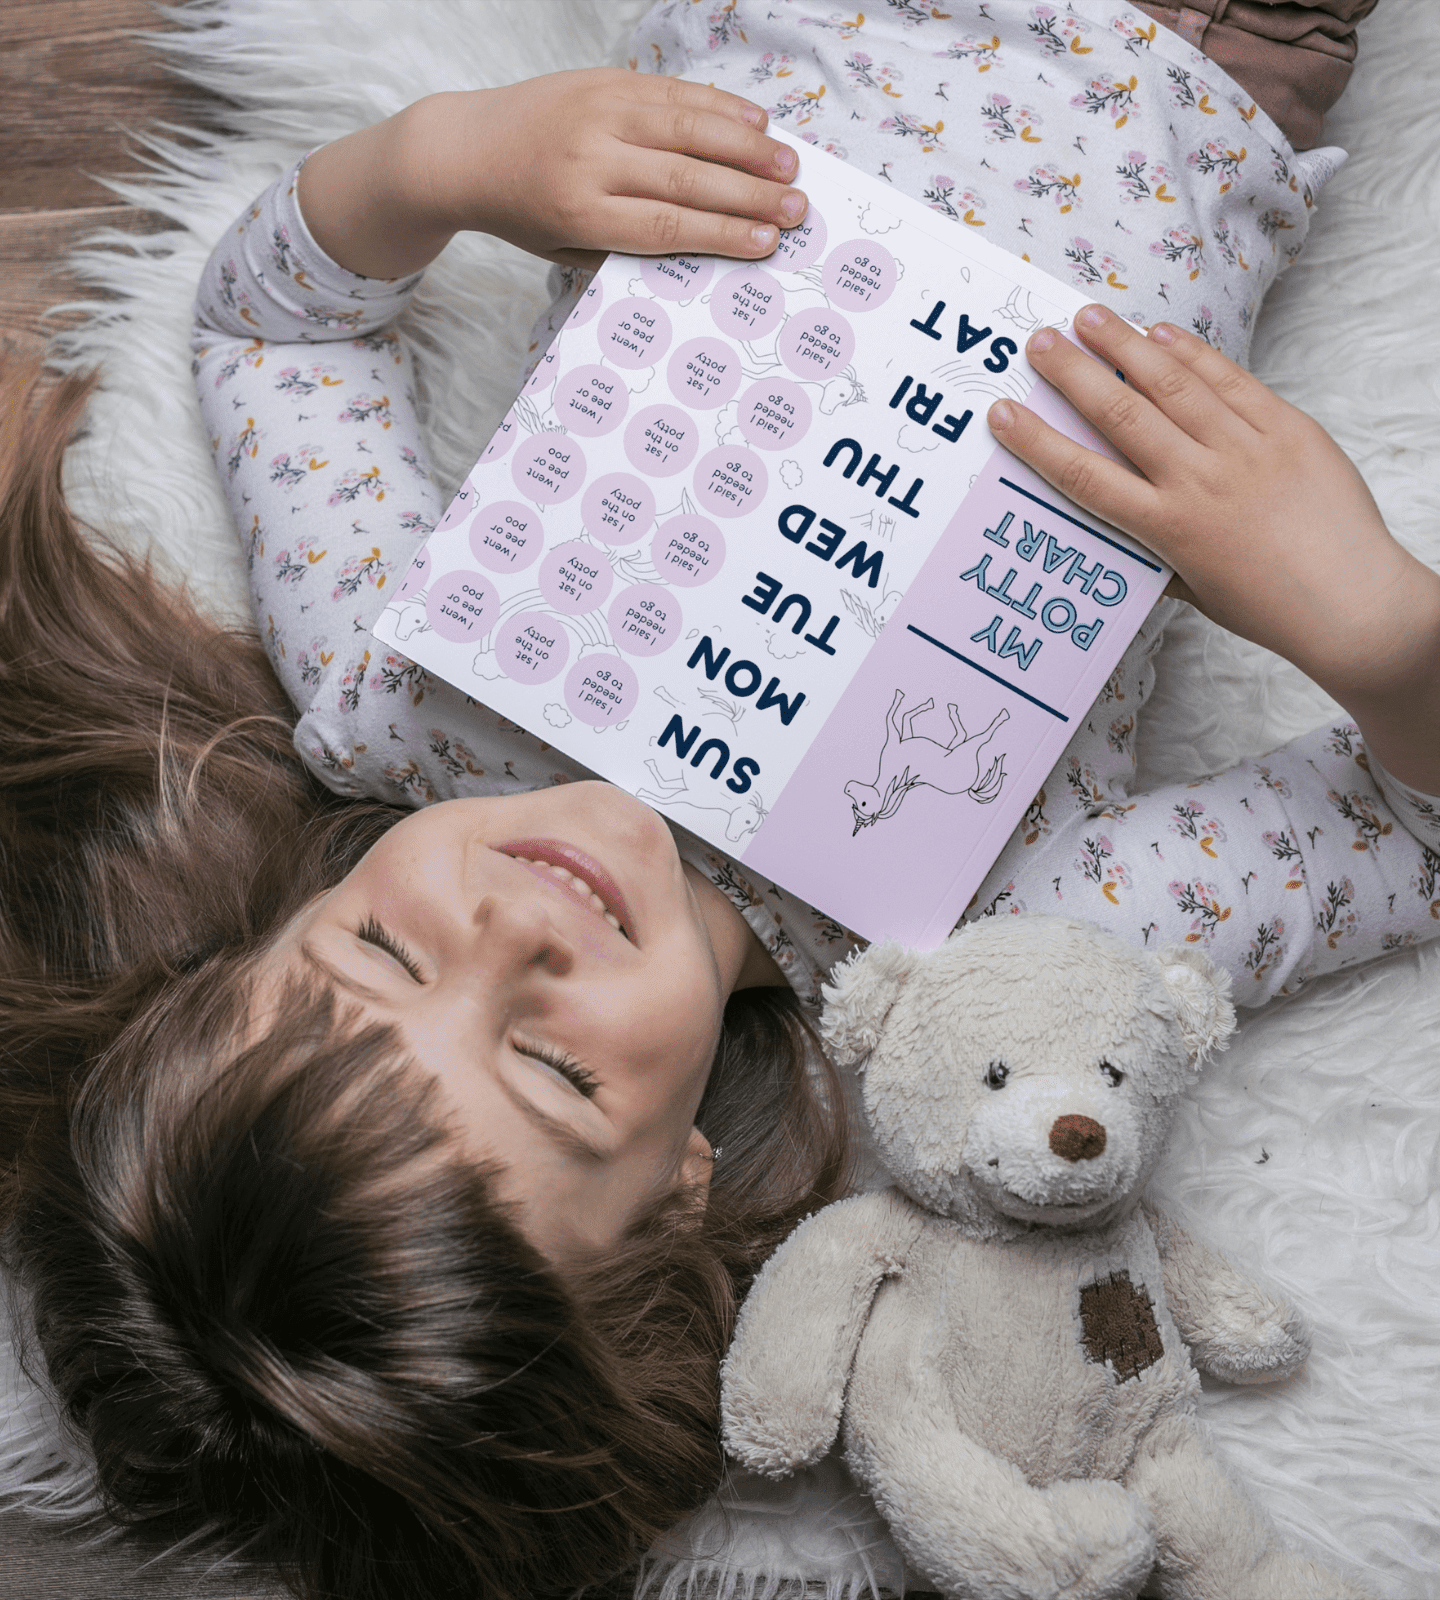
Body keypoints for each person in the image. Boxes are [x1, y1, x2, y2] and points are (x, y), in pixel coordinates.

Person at [1, 4, 1432, 1599]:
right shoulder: (979, 962)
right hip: (1190, 59)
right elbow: (1411, 828)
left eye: (380, 959)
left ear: (264, 933)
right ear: (678, 1190)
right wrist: (1366, 620)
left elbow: (276, 333)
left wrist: (443, 163)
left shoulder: (393, 689)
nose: (513, 934)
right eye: (549, 1070)